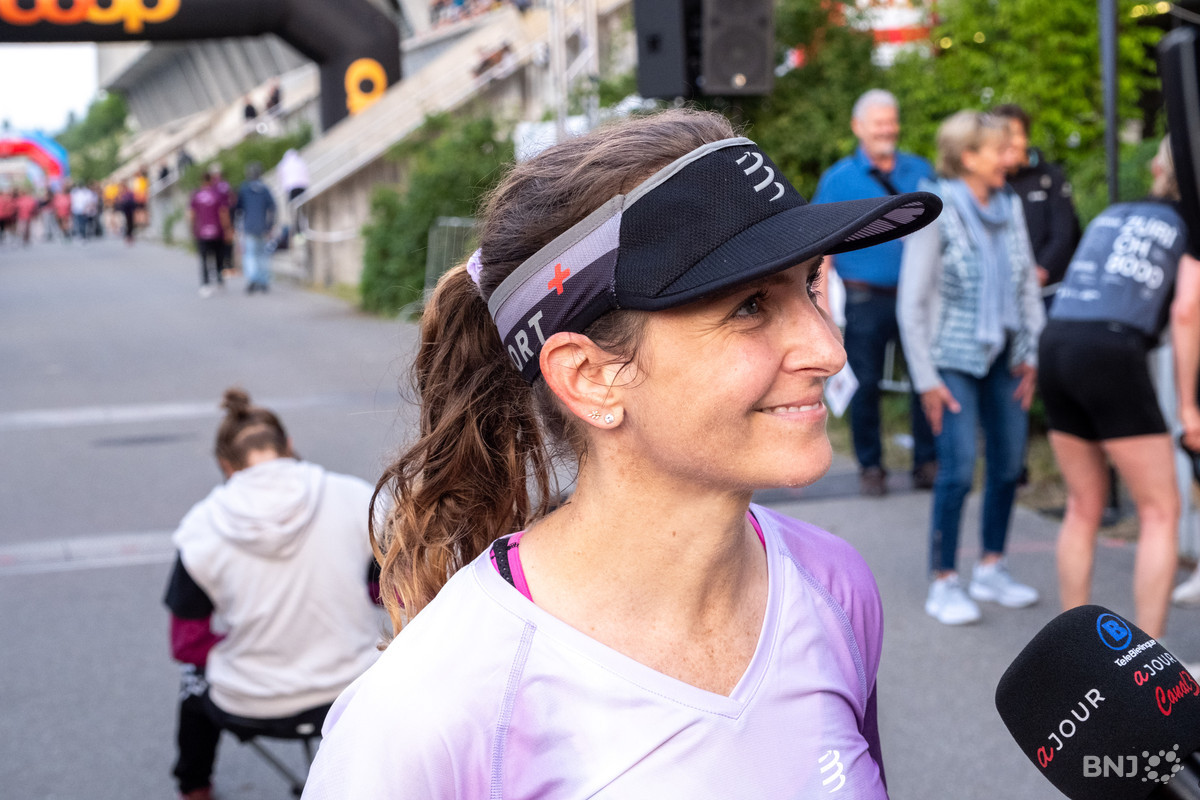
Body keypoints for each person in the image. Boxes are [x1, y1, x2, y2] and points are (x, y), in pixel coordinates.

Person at [301, 109, 942, 797]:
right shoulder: (426, 716)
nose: (828, 350)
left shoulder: (834, 586)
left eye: (810, 284)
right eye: (750, 306)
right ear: (589, 377)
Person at [164, 388, 384, 800]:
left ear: (225, 464)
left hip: (251, 700)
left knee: (192, 680)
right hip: (354, 687)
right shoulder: (355, 497)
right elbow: (386, 591)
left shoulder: (200, 527)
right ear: (288, 446)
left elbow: (186, 643)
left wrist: (251, 645)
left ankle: (195, 789)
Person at [1038, 137, 1200, 639]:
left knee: (1082, 506)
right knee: (1160, 511)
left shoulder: (1115, 213)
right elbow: (1187, 312)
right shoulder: (1192, 222)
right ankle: (1151, 660)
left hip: (1057, 341)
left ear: (1157, 168)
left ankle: (1073, 655)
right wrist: (1189, 407)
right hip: (1112, 350)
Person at [898, 110, 1045, 626]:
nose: (1010, 158)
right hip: (951, 359)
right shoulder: (934, 209)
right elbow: (912, 303)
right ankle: (944, 581)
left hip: (1007, 353)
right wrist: (926, 380)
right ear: (968, 157)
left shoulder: (1010, 205)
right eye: (998, 150)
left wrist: (1033, 353)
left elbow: (1026, 285)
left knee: (1007, 466)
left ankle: (991, 568)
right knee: (958, 470)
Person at [813, 89, 939, 496]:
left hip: (917, 298)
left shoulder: (921, 171)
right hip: (865, 298)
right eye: (879, 122)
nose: (887, 129)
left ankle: (927, 461)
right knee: (865, 383)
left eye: (891, 121)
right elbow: (822, 251)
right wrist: (824, 310)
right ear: (858, 127)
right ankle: (871, 466)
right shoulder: (838, 179)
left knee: (924, 376)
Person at [992, 104, 1081, 309]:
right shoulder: (991, 182)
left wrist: (1041, 269)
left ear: (1026, 137)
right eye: (1003, 135)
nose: (1010, 142)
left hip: (1050, 289)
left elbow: (1064, 232)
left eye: (1015, 134)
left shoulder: (1050, 176)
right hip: (1005, 292)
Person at [233, 161, 277, 293]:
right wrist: (270, 225)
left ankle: (253, 279)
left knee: (251, 255)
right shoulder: (264, 189)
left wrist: (236, 225)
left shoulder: (245, 189)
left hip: (250, 227)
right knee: (262, 255)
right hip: (262, 227)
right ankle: (263, 281)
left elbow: (237, 208)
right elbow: (273, 208)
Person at [189, 167, 231, 297]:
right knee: (218, 257)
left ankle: (205, 284)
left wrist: (192, 229)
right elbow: (223, 213)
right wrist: (228, 229)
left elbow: (191, 215)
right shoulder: (217, 195)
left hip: (202, 233)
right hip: (217, 231)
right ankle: (219, 280)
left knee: (204, 259)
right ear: (211, 180)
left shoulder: (196, 196)